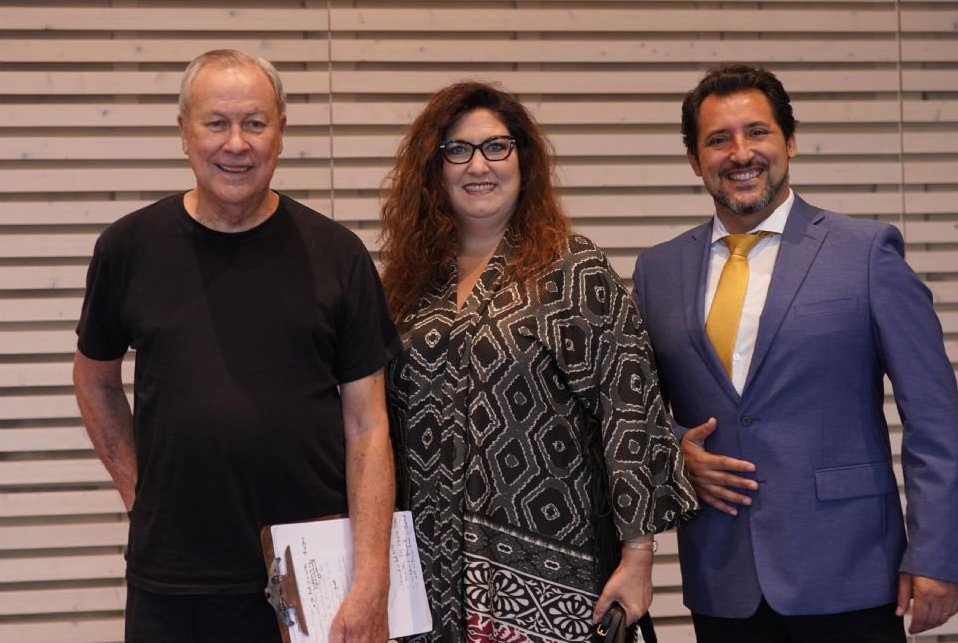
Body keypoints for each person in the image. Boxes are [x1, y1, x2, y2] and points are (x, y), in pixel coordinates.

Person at [72, 49, 399, 643]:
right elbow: (94, 379)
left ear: (280, 132)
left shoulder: (338, 256)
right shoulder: (128, 249)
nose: (236, 143)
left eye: (254, 122)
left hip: (311, 573)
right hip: (173, 577)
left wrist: (372, 578)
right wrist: (138, 493)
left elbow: (368, 425)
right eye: (215, 122)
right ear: (183, 132)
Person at [631, 64, 958, 642]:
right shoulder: (657, 271)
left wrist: (937, 552)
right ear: (693, 159)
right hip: (722, 575)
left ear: (790, 141)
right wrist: (676, 448)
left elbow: (936, 418)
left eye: (757, 132)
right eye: (718, 139)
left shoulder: (866, 252)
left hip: (850, 571)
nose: (741, 153)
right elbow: (634, 409)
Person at [380, 80, 698, 643]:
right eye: (457, 150)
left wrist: (639, 557)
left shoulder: (571, 269)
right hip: (427, 577)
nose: (478, 164)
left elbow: (629, 413)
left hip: (554, 574)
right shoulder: (408, 287)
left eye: (496, 146)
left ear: (522, 158)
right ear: (434, 168)